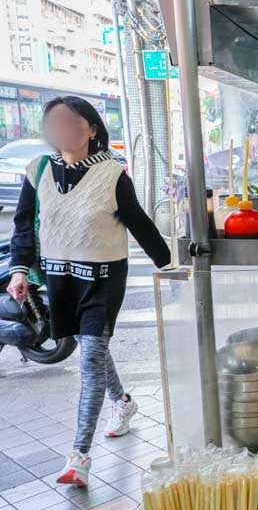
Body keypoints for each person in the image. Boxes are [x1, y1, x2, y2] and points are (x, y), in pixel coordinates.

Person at [7, 96, 171, 487]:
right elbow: (24, 225)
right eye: (55, 123)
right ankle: (124, 403)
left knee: (90, 358)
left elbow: (140, 224)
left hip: (102, 279)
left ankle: (79, 457)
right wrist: (19, 272)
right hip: (60, 279)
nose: (63, 129)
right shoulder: (38, 170)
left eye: (72, 122)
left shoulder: (112, 174)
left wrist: (171, 266)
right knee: (92, 352)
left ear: (91, 129)